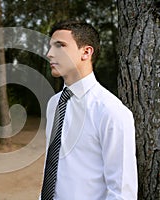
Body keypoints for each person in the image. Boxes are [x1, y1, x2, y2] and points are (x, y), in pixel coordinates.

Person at [40, 20, 137, 200]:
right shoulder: (54, 104)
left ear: (86, 52)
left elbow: (122, 192)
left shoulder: (111, 111)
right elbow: (54, 167)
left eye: (60, 46)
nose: (50, 54)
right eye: (50, 47)